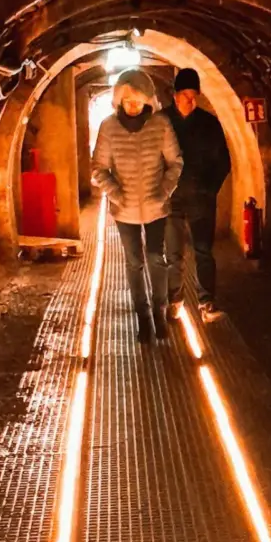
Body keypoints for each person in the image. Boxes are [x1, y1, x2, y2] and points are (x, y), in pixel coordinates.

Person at [91, 69, 184, 343]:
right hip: (125, 209)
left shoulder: (160, 125)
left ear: (147, 100)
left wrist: (163, 191)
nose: (133, 106)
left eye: (138, 100)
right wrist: (116, 194)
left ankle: (159, 311)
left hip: (155, 205)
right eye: (128, 100)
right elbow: (99, 168)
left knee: (156, 257)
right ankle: (142, 316)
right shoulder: (109, 127)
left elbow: (175, 162)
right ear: (119, 100)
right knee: (134, 263)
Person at [162, 68, 231, 320]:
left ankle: (206, 302)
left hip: (201, 200)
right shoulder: (161, 123)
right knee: (173, 253)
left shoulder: (209, 124)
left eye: (194, 96)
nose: (191, 101)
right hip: (170, 199)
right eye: (186, 95)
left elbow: (223, 162)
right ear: (175, 95)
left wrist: (209, 190)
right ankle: (175, 300)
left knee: (203, 251)